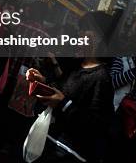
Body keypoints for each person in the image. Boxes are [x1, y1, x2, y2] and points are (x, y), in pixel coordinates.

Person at [25, 11, 115, 163]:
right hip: (48, 142)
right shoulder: (76, 65)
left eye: (85, 28)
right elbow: (60, 92)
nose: (79, 33)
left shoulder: (102, 78)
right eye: (80, 28)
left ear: (99, 37)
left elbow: (95, 126)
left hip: (69, 153)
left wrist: (63, 104)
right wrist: (43, 83)